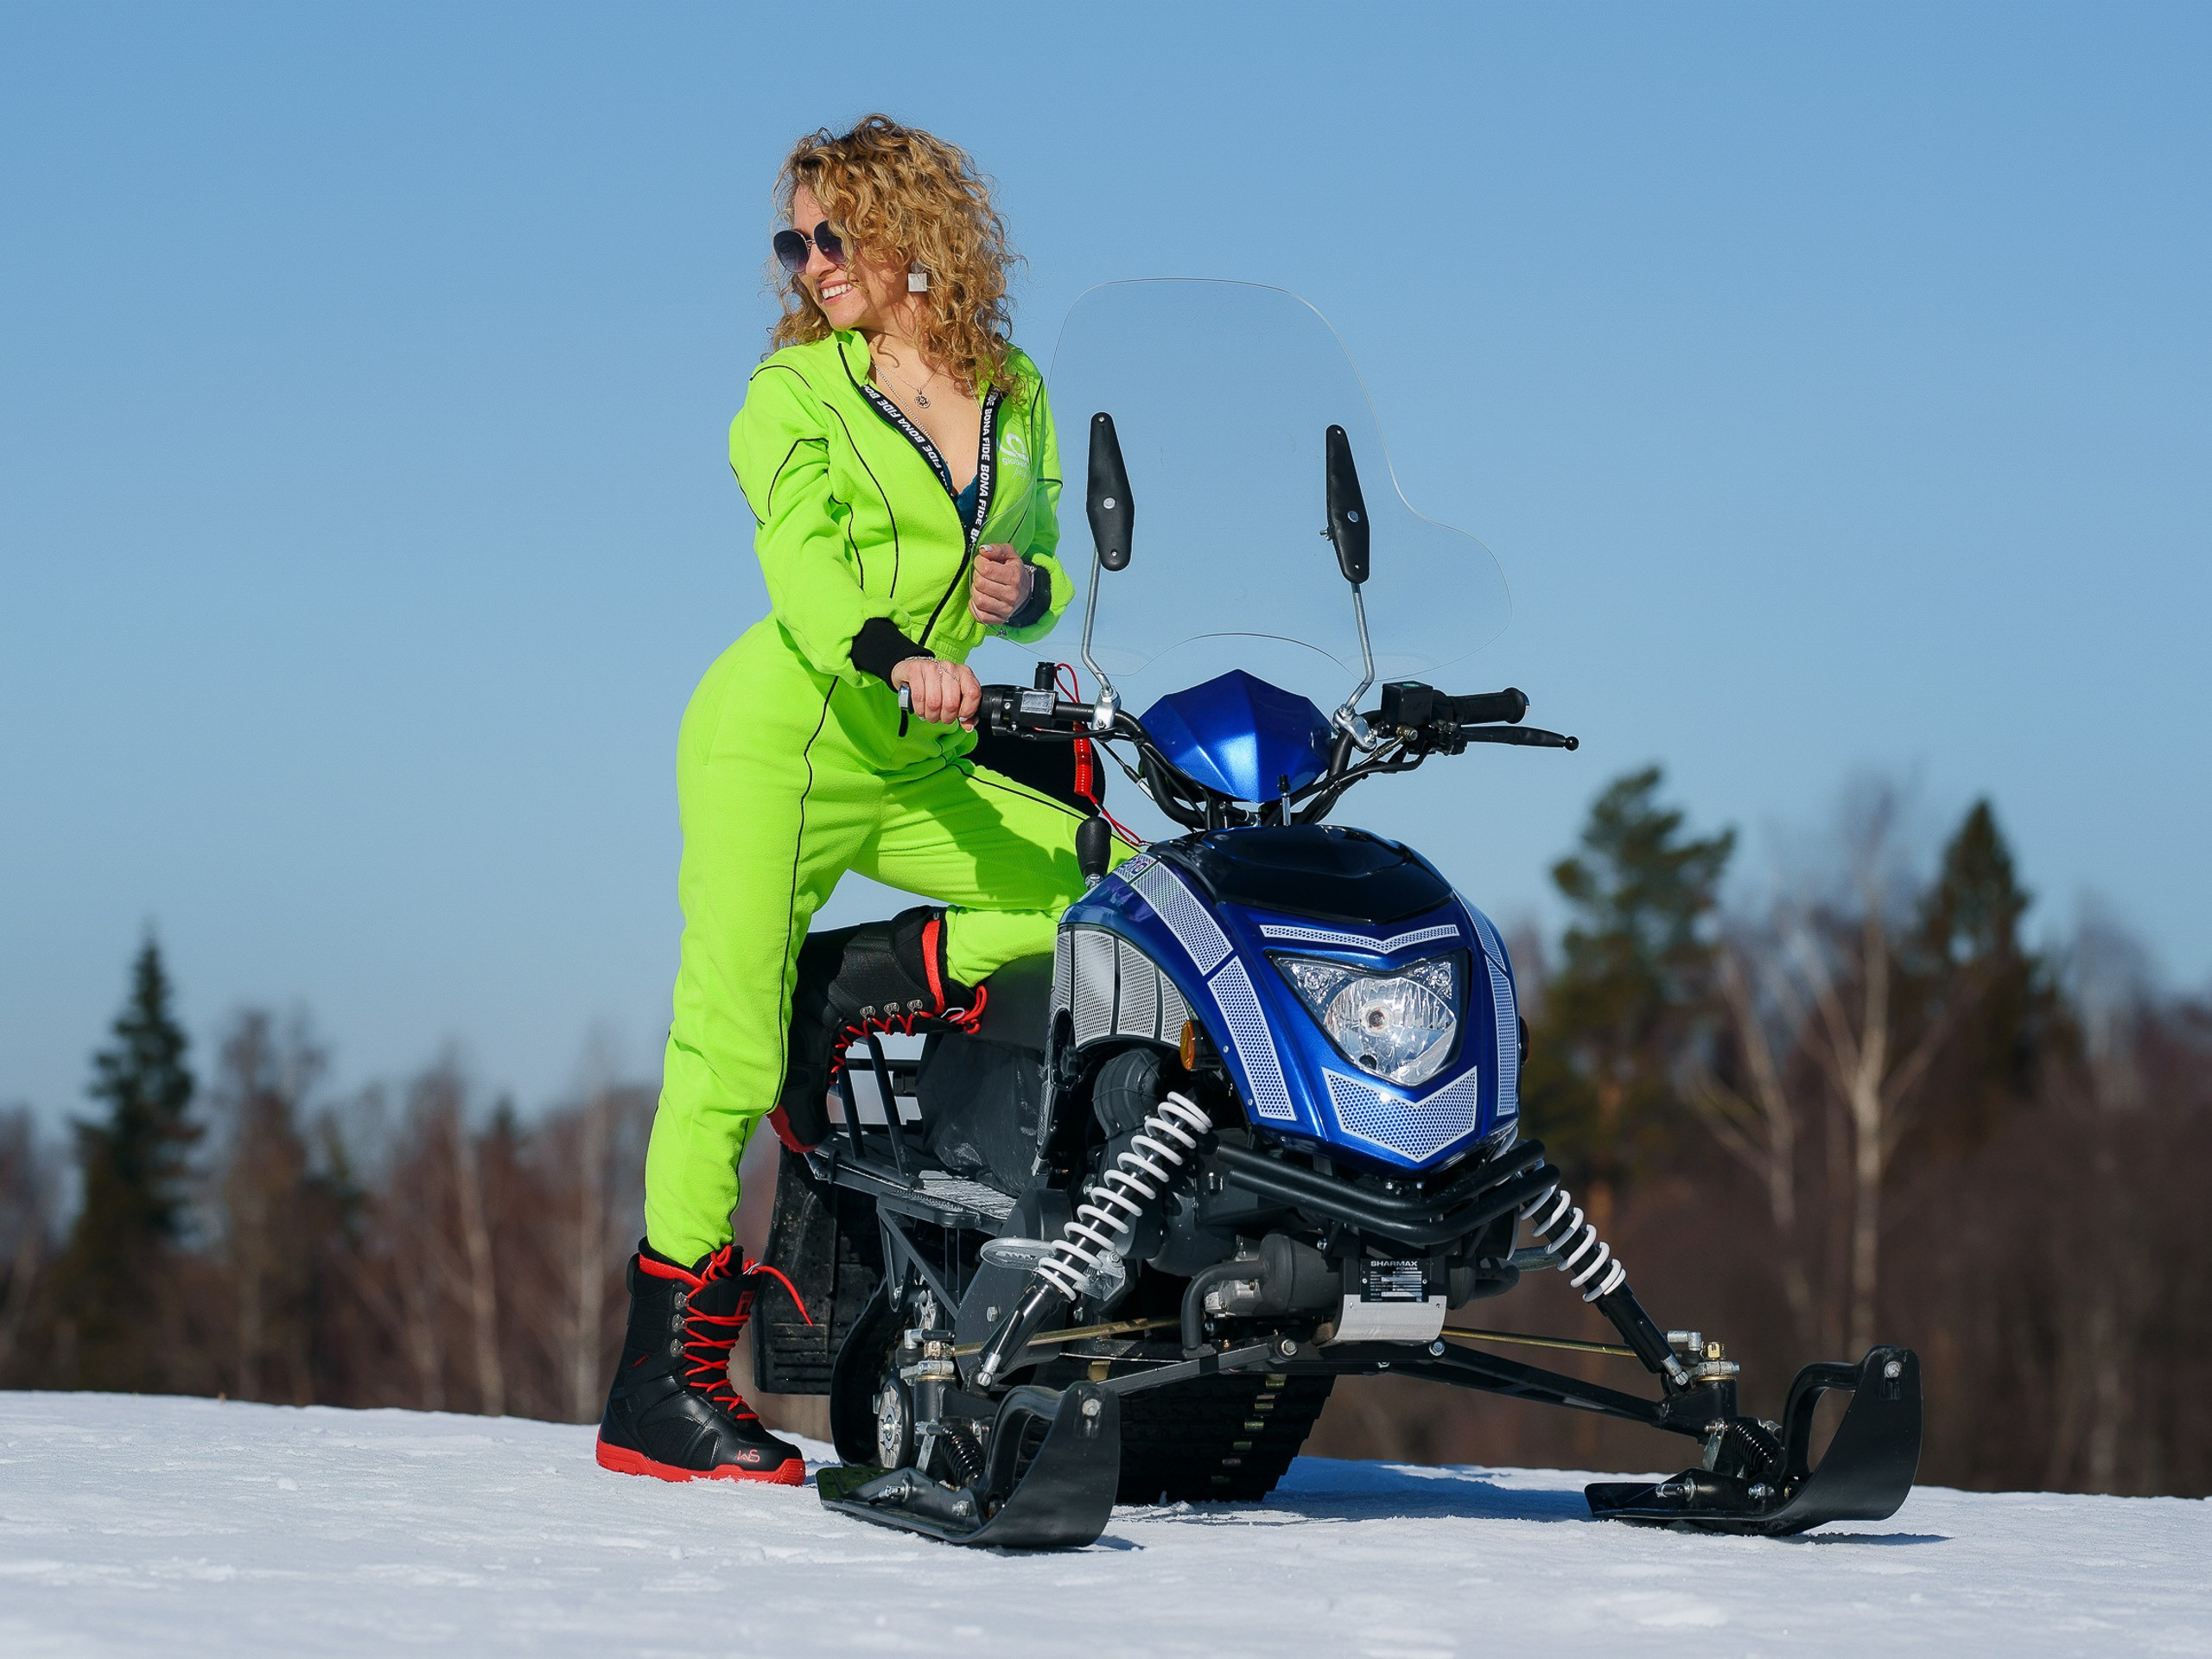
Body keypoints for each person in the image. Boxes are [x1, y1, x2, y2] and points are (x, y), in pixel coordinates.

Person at [597, 116, 1117, 1485]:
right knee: (725, 1045)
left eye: (837, 233)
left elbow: (1046, 542)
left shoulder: (1015, 389)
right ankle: (663, 1385)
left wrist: (1028, 589)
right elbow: (805, 564)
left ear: (917, 234)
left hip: (917, 761)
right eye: (796, 239)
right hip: (789, 739)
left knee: (1105, 898)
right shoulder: (794, 397)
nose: (812, 261)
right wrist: (899, 654)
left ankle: (853, 981)